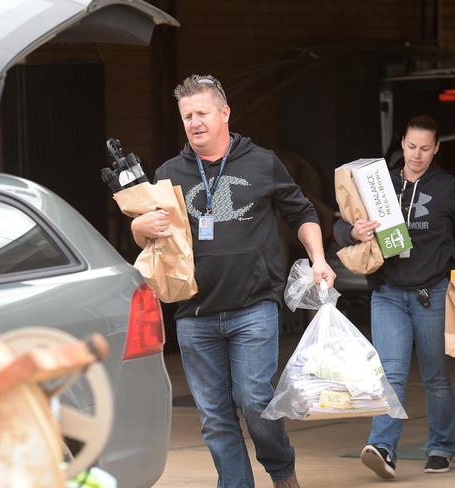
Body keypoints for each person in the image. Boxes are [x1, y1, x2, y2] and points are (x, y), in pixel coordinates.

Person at [131, 74, 335, 488]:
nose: (195, 122)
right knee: (214, 417)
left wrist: (318, 258)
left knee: (256, 402)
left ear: (224, 113)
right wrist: (140, 224)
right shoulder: (169, 172)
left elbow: (303, 213)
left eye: (202, 113)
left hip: (253, 307)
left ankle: (281, 469)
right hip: (194, 313)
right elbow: (149, 242)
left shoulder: (261, 162)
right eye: (187, 116)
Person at [333, 114, 455, 479]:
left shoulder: (448, 187)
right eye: (411, 147)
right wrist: (353, 232)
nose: (417, 155)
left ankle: (440, 447)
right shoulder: (380, 184)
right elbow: (339, 225)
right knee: (390, 374)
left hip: (432, 294)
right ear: (401, 143)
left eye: (425, 148)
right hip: (388, 293)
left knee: (436, 376)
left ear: (436, 149)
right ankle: (384, 448)